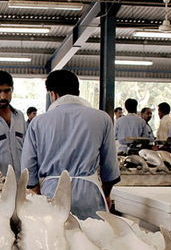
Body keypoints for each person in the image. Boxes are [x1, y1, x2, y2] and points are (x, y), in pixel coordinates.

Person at [21, 70, 119, 220]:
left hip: (51, 195)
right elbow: (110, 167)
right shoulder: (102, 118)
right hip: (90, 195)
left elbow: (28, 168)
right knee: (93, 239)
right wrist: (106, 194)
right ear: (77, 91)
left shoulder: (38, 122)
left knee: (55, 240)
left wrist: (38, 193)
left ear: (52, 94)